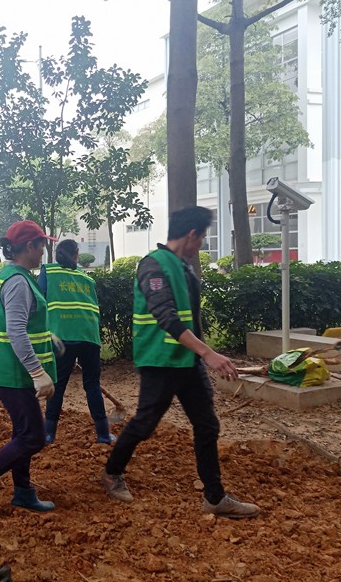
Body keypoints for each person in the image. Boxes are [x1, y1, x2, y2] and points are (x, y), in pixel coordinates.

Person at [101, 206, 260, 519]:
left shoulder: (182, 267)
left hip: (187, 362)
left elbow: (187, 320)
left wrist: (201, 353)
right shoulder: (153, 266)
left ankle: (215, 498)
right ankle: (111, 472)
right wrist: (208, 353)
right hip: (161, 361)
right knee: (144, 424)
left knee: (207, 425)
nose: (202, 243)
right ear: (192, 235)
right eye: (202, 237)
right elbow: (165, 316)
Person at [0, 220, 58, 514]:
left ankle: (23, 492)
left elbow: (22, 322)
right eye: (41, 245)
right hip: (13, 373)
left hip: (9, 370)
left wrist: (47, 334)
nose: (44, 251)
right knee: (33, 436)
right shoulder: (18, 280)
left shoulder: (15, 275)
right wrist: (37, 372)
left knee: (23, 432)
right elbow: (15, 331)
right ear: (28, 247)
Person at [38, 239, 115, 445]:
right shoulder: (86, 277)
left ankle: (48, 434)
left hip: (63, 336)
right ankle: (103, 434)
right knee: (92, 384)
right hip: (89, 336)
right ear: (77, 255)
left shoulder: (49, 272)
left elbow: (38, 300)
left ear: (56, 255)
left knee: (58, 385)